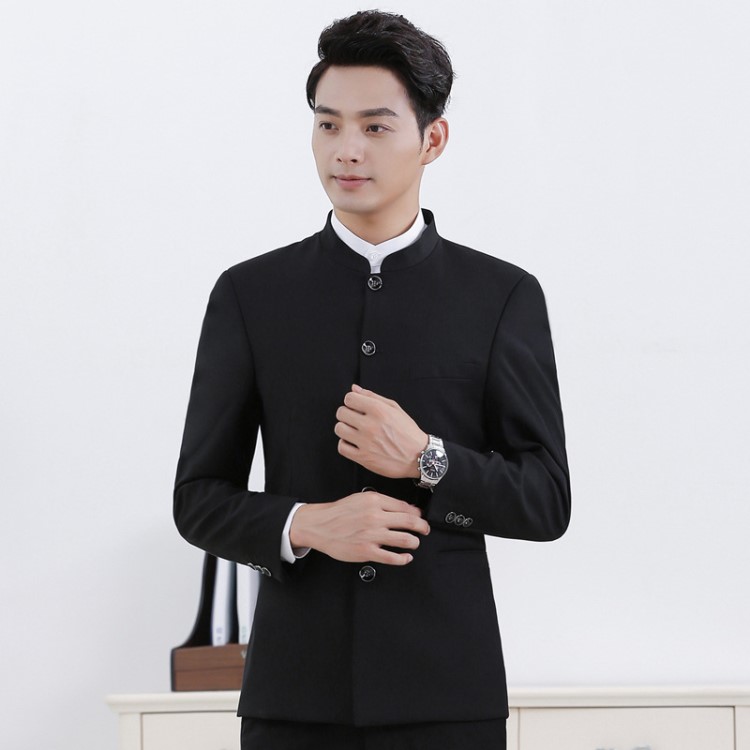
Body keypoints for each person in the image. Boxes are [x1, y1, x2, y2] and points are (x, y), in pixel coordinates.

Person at [174, 10, 570, 750]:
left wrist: (428, 459)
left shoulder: (501, 297)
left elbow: (545, 500)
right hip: (294, 699)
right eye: (328, 125)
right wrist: (306, 524)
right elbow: (197, 499)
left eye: (375, 127)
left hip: (447, 698)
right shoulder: (251, 295)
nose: (346, 149)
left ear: (432, 139)